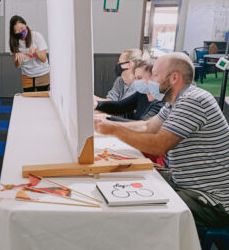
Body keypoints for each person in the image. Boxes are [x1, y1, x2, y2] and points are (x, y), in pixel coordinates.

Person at [94, 52, 229, 228]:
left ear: (174, 78)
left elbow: (159, 145)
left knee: (139, 210)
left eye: (155, 75)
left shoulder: (194, 100)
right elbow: (148, 126)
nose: (150, 81)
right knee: (129, 181)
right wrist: (109, 125)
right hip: (185, 184)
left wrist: (113, 129)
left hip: (212, 200)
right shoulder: (176, 101)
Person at [94, 59, 165, 122]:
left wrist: (108, 118)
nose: (136, 82)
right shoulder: (142, 94)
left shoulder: (161, 103)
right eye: (136, 78)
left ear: (153, 78)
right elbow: (120, 106)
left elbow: (142, 125)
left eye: (139, 78)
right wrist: (97, 104)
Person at [9, 15, 49, 92]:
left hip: (42, 74)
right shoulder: (14, 42)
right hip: (27, 76)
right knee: (28, 100)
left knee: (43, 100)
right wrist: (18, 60)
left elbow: (44, 59)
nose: (21, 31)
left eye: (22, 28)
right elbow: (17, 66)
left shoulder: (36, 36)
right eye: (17, 31)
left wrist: (36, 50)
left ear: (26, 25)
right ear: (14, 32)